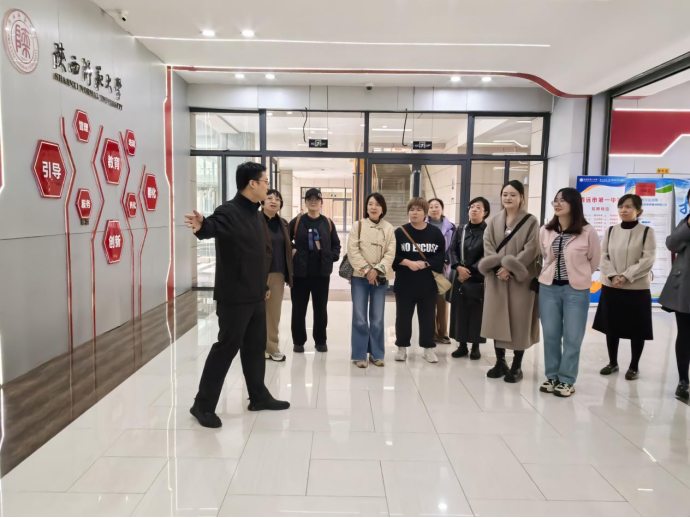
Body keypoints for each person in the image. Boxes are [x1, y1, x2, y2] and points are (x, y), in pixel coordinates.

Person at [184, 162, 290, 429]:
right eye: (265, 182)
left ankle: (258, 396)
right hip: (234, 297)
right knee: (226, 349)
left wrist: (263, 286)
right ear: (252, 184)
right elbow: (212, 226)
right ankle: (202, 405)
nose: (268, 187)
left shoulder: (255, 214)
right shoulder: (229, 211)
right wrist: (202, 225)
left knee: (255, 348)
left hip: (255, 295)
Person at [538, 188, 601, 398]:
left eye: (562, 201)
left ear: (574, 204)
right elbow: (544, 255)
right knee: (551, 334)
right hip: (548, 288)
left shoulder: (587, 231)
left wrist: (580, 275)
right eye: (555, 200)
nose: (557, 204)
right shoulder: (546, 230)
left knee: (573, 336)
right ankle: (552, 376)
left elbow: (594, 259)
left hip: (576, 290)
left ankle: (566, 380)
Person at [479, 180, 541, 383]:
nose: (508, 198)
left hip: (520, 280)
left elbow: (531, 248)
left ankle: (517, 365)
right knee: (496, 318)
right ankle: (500, 362)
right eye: (505, 194)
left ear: (521, 197)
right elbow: (487, 245)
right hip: (496, 278)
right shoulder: (493, 221)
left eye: (513, 194)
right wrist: (498, 267)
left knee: (519, 321)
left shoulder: (531, 221)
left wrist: (510, 268)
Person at [594, 194, 656, 381]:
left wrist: (626, 276)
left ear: (639, 210)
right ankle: (612, 362)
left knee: (637, 328)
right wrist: (613, 275)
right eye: (621, 206)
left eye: (629, 207)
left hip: (637, 287)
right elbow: (602, 256)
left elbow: (648, 259)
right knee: (611, 326)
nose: (624, 210)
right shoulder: (611, 231)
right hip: (612, 285)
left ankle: (634, 366)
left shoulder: (647, 232)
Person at [393, 197, 447, 364]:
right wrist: (408, 263)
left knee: (428, 318)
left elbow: (441, 256)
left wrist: (425, 263)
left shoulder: (434, 233)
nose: (414, 213)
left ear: (425, 213)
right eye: (411, 210)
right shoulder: (400, 232)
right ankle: (401, 347)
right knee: (403, 317)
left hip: (427, 284)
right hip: (404, 283)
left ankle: (428, 348)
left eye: (418, 210)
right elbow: (392, 256)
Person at [290, 188, 342, 353]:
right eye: (310, 199)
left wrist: (331, 256)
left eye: (316, 199)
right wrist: (293, 251)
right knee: (299, 309)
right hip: (300, 274)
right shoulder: (297, 221)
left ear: (321, 203)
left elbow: (336, 244)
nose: (313, 201)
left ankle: (320, 340)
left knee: (320, 309)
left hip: (321, 274)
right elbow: (285, 241)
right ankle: (298, 341)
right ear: (305, 202)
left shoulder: (327, 223)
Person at [348, 193, 397, 368]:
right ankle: (359, 355)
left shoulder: (389, 228)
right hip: (359, 277)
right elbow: (352, 250)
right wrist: (367, 271)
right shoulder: (358, 225)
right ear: (366, 207)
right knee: (360, 317)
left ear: (382, 208)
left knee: (377, 318)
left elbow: (391, 252)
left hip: (380, 277)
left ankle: (377, 354)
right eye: (370, 204)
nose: (373, 207)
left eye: (377, 204)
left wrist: (377, 270)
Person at [449, 197, 491, 360]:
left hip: (478, 276)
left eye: (478, 207)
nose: (474, 209)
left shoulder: (488, 231)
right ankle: (462, 345)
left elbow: (488, 254)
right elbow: (452, 249)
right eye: (472, 206)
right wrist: (458, 267)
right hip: (460, 275)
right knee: (459, 310)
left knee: (476, 312)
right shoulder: (461, 229)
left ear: (485, 212)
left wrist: (471, 270)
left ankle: (475, 346)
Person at [659, 189, 690, 400]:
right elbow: (671, 244)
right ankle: (683, 380)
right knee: (685, 333)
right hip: (685, 287)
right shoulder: (685, 223)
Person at [262, 189, 294, 363]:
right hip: (257, 272)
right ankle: (253, 347)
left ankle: (271, 348)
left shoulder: (284, 224)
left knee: (273, 314)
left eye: (277, 199)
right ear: (262, 201)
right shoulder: (255, 221)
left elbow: (287, 245)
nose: (274, 201)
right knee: (254, 313)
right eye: (269, 198)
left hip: (277, 273)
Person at [427, 199, 456, 345]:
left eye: (436, 206)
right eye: (431, 207)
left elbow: (453, 246)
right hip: (427, 267)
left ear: (442, 209)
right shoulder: (422, 225)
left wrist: (446, 259)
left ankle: (443, 334)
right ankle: (432, 333)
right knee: (429, 301)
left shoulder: (451, 227)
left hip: (444, 268)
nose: (434, 209)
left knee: (443, 301)